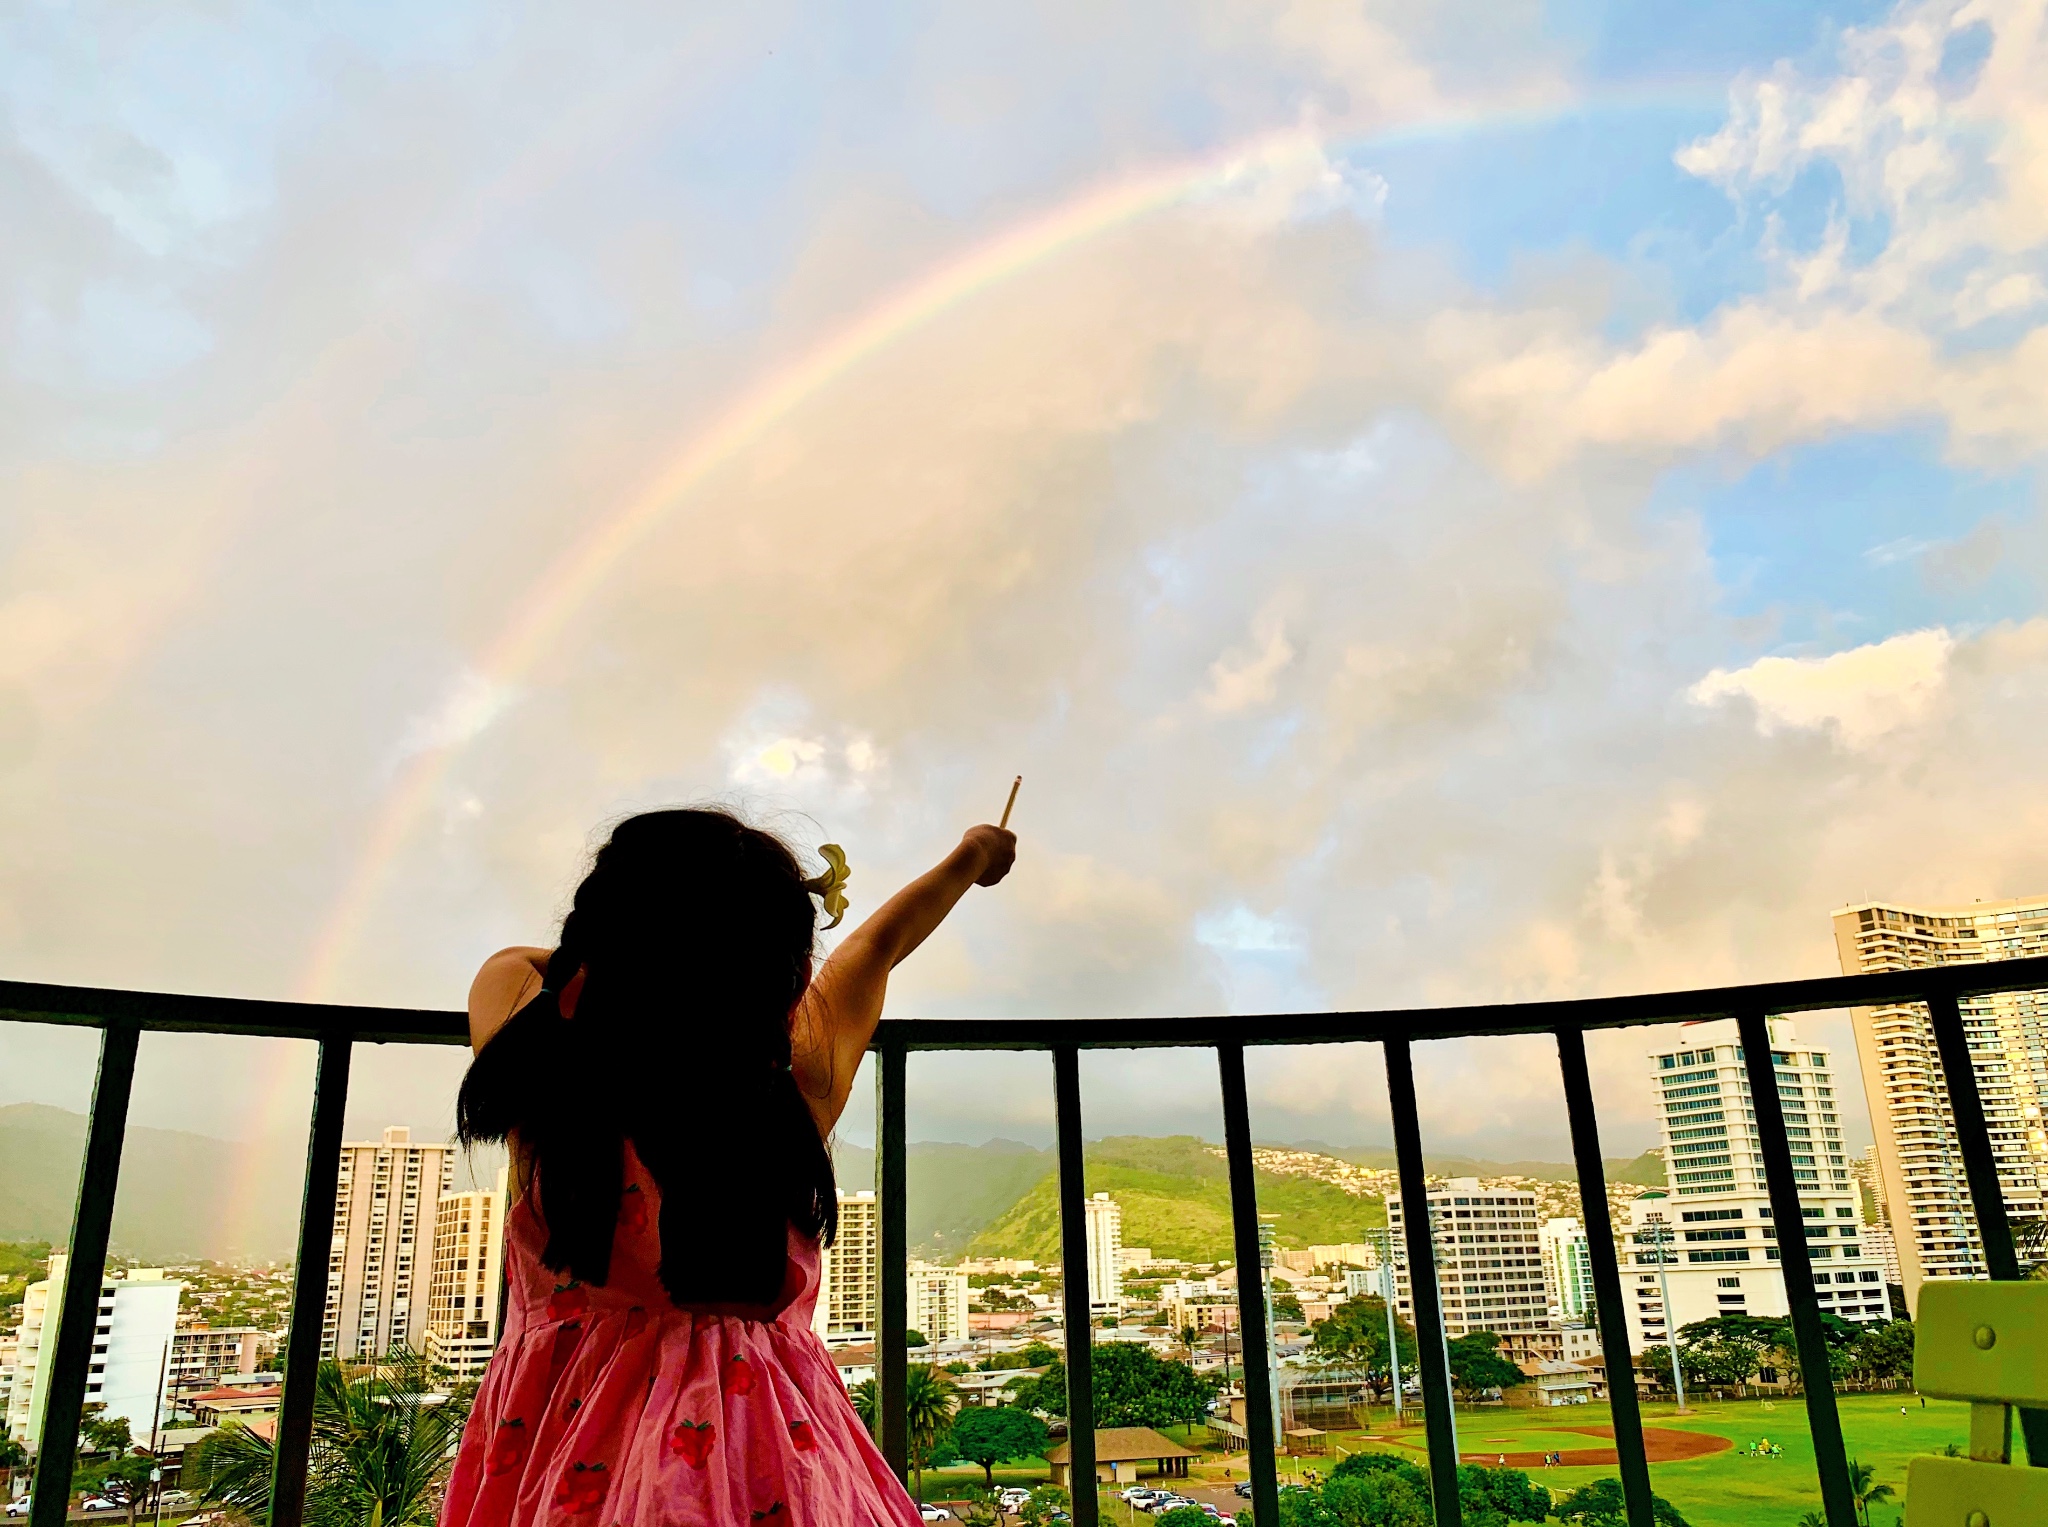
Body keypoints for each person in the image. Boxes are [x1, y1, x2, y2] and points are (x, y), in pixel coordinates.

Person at [438, 808, 1016, 1527]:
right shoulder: (797, 1091)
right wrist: (972, 855)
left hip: (560, 1460)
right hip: (770, 1457)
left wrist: (622, 969)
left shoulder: (545, 1084)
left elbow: (514, 966)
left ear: (595, 958)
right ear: (793, 979)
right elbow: (876, 944)